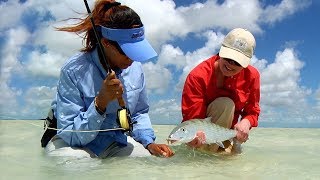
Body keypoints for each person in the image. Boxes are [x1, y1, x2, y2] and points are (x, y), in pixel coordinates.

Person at [42, 0, 174, 158]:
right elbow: (70, 134)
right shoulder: (73, 70)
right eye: (127, 52)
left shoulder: (135, 68)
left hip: (115, 140)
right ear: (106, 43)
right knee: (72, 162)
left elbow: (139, 113)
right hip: (71, 142)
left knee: (146, 162)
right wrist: (100, 103)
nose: (132, 59)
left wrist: (148, 142)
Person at [181, 28, 260, 153]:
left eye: (237, 62)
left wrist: (246, 122)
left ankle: (217, 156)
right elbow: (193, 120)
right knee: (225, 104)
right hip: (201, 138)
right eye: (228, 58)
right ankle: (207, 156)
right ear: (221, 51)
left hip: (227, 136)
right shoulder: (198, 76)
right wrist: (195, 138)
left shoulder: (253, 76)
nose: (231, 65)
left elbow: (253, 111)